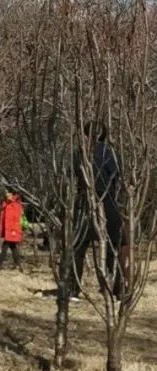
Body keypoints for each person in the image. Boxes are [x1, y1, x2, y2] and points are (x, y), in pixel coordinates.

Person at [72, 124, 122, 300]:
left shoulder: (81, 154)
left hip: (87, 202)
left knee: (78, 249)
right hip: (108, 203)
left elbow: (72, 174)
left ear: (86, 135)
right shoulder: (109, 153)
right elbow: (116, 176)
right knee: (112, 249)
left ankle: (74, 289)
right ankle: (117, 289)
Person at [0, 189, 25, 269]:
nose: (6, 195)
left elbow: (16, 219)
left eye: (8, 193)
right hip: (7, 229)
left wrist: (13, 231)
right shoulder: (6, 204)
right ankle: (18, 264)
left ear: (12, 194)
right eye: (5, 193)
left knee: (5, 247)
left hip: (12, 230)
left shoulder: (15, 205)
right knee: (13, 247)